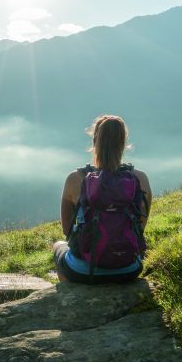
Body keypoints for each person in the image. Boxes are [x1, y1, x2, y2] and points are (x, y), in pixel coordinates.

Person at [52, 115, 152, 284]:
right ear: (123, 143)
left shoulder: (75, 179)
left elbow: (67, 230)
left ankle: (70, 295)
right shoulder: (140, 179)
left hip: (84, 271)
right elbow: (140, 226)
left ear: (94, 142)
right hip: (129, 268)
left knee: (58, 246)